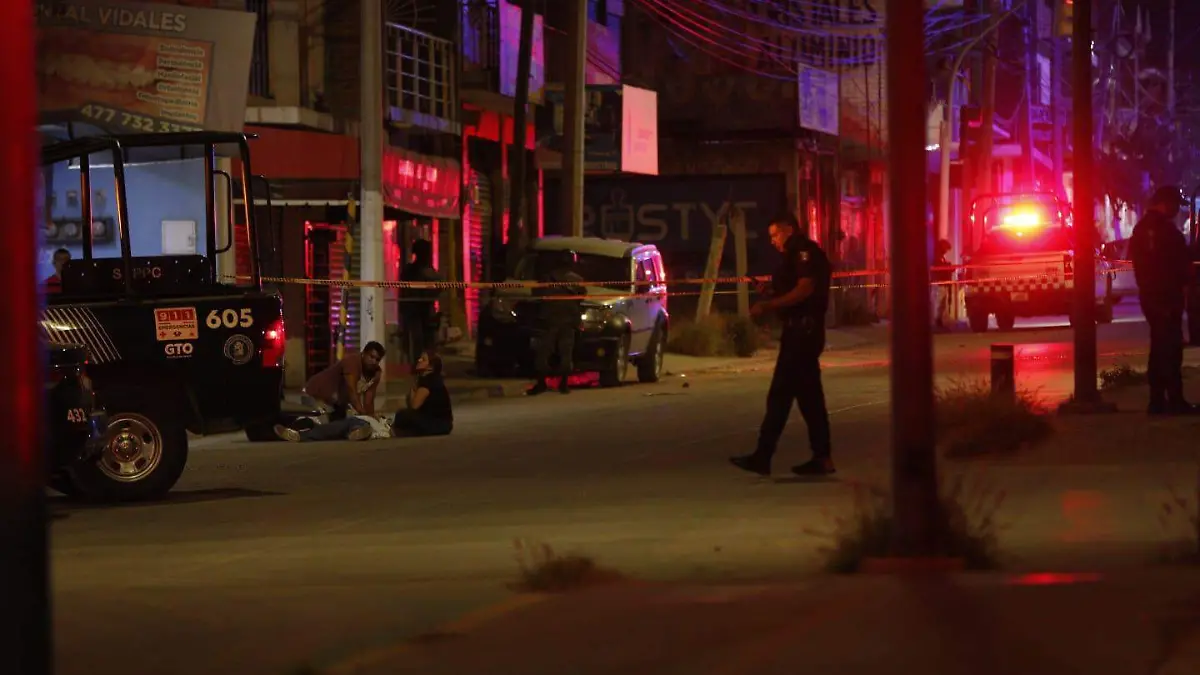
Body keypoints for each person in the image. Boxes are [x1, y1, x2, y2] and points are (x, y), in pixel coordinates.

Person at [730, 213, 834, 476]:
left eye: (775, 234)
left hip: (803, 333)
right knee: (809, 399)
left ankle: (763, 456)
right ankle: (821, 457)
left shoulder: (804, 253)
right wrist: (771, 291)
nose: (773, 241)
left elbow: (805, 289)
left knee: (780, 396)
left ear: (789, 229)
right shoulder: (791, 257)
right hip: (799, 332)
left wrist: (769, 305)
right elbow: (791, 288)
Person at [1129, 185, 1197, 415]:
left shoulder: (1143, 229)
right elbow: (1174, 263)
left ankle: (1158, 400)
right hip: (1165, 296)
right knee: (1169, 349)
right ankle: (1174, 400)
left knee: (1159, 347)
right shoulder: (1163, 231)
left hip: (1154, 296)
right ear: (1166, 203)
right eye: (1176, 205)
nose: (1177, 210)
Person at [527, 249, 586, 396]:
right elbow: (582, 297)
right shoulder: (577, 280)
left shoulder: (547, 278)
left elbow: (536, 294)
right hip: (567, 321)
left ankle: (542, 383)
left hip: (549, 320)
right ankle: (563, 384)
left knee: (544, 352)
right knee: (566, 353)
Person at [303, 342, 386, 420]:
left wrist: (370, 417)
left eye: (377, 359)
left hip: (336, 402)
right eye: (371, 357)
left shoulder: (376, 373)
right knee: (323, 425)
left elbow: (369, 400)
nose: (374, 361)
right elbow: (351, 388)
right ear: (363, 353)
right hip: (315, 394)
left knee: (341, 425)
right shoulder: (352, 361)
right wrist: (362, 412)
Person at [391, 350, 454, 436]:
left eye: (423, 359)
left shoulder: (428, 381)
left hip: (438, 425)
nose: (419, 360)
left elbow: (414, 406)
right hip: (443, 425)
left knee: (402, 415)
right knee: (404, 415)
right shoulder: (432, 379)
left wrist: (414, 388)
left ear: (431, 366)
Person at [400, 239, 441, 369]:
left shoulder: (428, 271)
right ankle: (419, 365)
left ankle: (428, 365)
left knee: (429, 340)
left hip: (426, 309)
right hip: (414, 310)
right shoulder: (411, 270)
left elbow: (439, 287)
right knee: (418, 339)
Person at [931, 239, 953, 330]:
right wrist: (948, 266)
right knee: (938, 303)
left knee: (942, 304)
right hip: (939, 283)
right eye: (946, 249)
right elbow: (939, 268)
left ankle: (939, 321)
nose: (946, 251)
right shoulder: (937, 257)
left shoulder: (941, 257)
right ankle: (936, 322)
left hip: (943, 283)